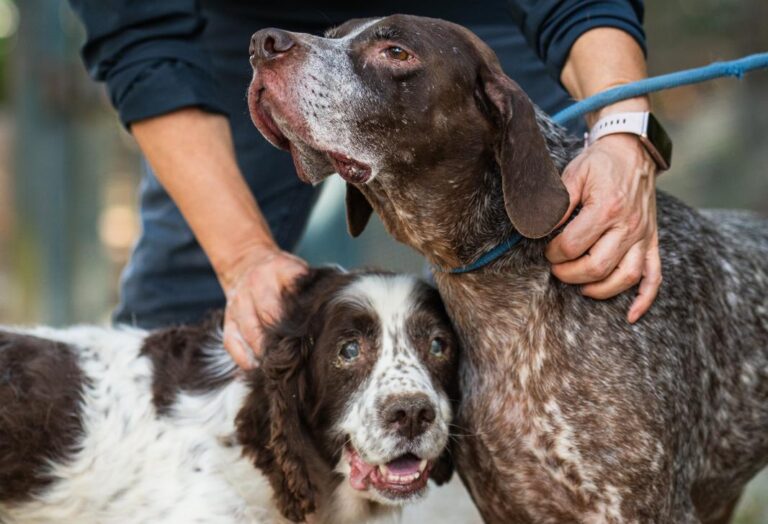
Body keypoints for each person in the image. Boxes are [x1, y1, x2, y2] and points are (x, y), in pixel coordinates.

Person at [68, 0, 661, 369]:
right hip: (237, 17)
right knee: (184, 305)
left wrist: (624, 132)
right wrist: (242, 257)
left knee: (576, 242)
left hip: (483, 16)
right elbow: (141, 38)